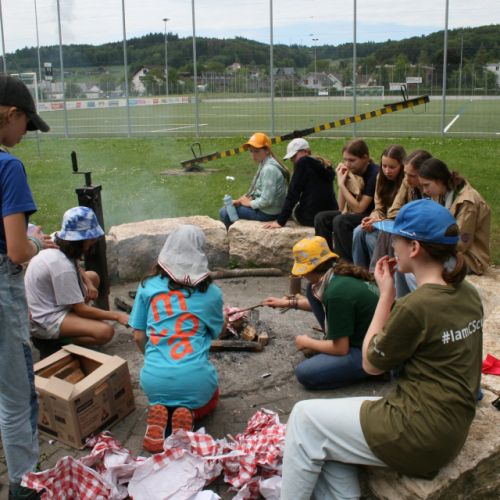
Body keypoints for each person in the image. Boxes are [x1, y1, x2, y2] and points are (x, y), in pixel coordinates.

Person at [281, 199, 483, 500]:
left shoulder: (416, 305)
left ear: (414, 247)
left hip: (420, 433)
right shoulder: (467, 292)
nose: (390, 245)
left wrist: (386, 294)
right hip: (450, 427)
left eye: (395, 238)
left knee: (302, 417)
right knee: (326, 434)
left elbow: (370, 363)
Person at [0, 74, 54, 499]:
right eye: (26, 124)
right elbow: (18, 251)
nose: (25, 133)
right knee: (17, 397)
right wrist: (39, 242)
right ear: (11, 114)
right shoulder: (8, 167)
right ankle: (24, 486)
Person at [129, 225, 226, 454]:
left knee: (163, 392)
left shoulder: (147, 286)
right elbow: (217, 332)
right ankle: (190, 413)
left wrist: (151, 356)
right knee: (212, 396)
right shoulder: (212, 293)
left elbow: (138, 335)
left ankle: (161, 410)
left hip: (153, 380)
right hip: (195, 380)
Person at [263, 236, 379, 390]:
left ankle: (373, 371)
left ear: (310, 269)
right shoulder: (336, 274)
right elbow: (328, 305)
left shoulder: (336, 294)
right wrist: (288, 303)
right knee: (311, 292)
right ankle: (333, 347)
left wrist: (308, 342)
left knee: (305, 373)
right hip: (366, 335)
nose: (302, 275)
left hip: (374, 350)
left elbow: (341, 349)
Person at [25, 206, 129, 348]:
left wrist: (89, 284)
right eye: (91, 240)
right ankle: (55, 341)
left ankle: (76, 323)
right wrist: (117, 316)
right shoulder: (62, 267)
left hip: (53, 298)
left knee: (92, 277)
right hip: (45, 319)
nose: (93, 243)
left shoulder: (59, 239)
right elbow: (81, 309)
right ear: (80, 240)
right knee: (105, 332)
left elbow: (75, 266)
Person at [418, 157, 490, 275]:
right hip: (447, 249)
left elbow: (461, 243)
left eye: (426, 185)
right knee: (413, 257)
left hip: (469, 258)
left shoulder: (467, 202)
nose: (424, 190)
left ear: (439, 181)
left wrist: (430, 247)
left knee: (424, 264)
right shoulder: (441, 192)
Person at [314, 139, 378, 260]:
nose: (347, 164)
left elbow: (360, 208)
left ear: (365, 158)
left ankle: (346, 265)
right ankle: (326, 261)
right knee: (321, 218)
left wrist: (341, 185)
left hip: (370, 215)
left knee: (341, 221)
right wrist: (343, 181)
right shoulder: (352, 172)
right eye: (345, 160)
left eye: (352, 160)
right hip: (354, 212)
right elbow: (341, 207)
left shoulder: (374, 174)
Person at [263, 138, 338, 228]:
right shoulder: (324, 164)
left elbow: (293, 194)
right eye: (291, 158)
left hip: (310, 217)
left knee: (294, 208)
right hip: (330, 215)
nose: (293, 160)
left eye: (294, 156)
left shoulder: (303, 162)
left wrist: (280, 222)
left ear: (305, 151)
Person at [219, 132, 289, 228]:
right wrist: (240, 201)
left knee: (225, 212)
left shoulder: (269, 169)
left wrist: (249, 203)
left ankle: (233, 233)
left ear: (267, 150)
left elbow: (266, 201)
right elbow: (257, 190)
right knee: (230, 207)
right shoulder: (264, 162)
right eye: (251, 151)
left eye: (257, 151)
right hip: (268, 209)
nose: (253, 155)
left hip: (268, 213)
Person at [352, 144, 405, 269]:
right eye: (384, 166)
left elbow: (397, 214)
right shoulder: (380, 177)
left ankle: (377, 273)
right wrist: (371, 219)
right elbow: (378, 207)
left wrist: (378, 222)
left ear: (402, 166)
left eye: (392, 167)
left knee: (371, 237)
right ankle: (359, 271)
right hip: (382, 221)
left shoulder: (405, 182)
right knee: (358, 231)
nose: (387, 171)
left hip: (396, 223)